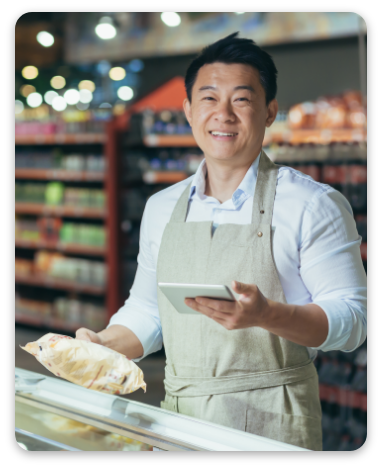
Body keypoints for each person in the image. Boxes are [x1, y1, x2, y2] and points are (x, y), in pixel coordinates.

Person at [76, 32, 367, 451]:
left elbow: (353, 321)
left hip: (274, 423)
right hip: (180, 417)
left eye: (242, 100)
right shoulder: (162, 207)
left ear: (269, 112)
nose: (223, 114)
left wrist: (269, 315)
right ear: (189, 111)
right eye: (209, 99)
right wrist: (103, 344)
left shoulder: (312, 204)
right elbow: (148, 309)